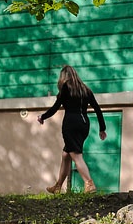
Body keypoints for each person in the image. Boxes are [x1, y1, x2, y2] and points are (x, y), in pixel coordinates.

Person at [38, 65, 107, 194]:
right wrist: (102, 128)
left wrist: (43, 116)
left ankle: (89, 183)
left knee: (76, 155)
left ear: (63, 77)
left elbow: (55, 107)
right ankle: (58, 186)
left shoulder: (66, 88)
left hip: (71, 123)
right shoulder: (86, 89)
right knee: (66, 154)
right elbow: (97, 108)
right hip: (84, 124)